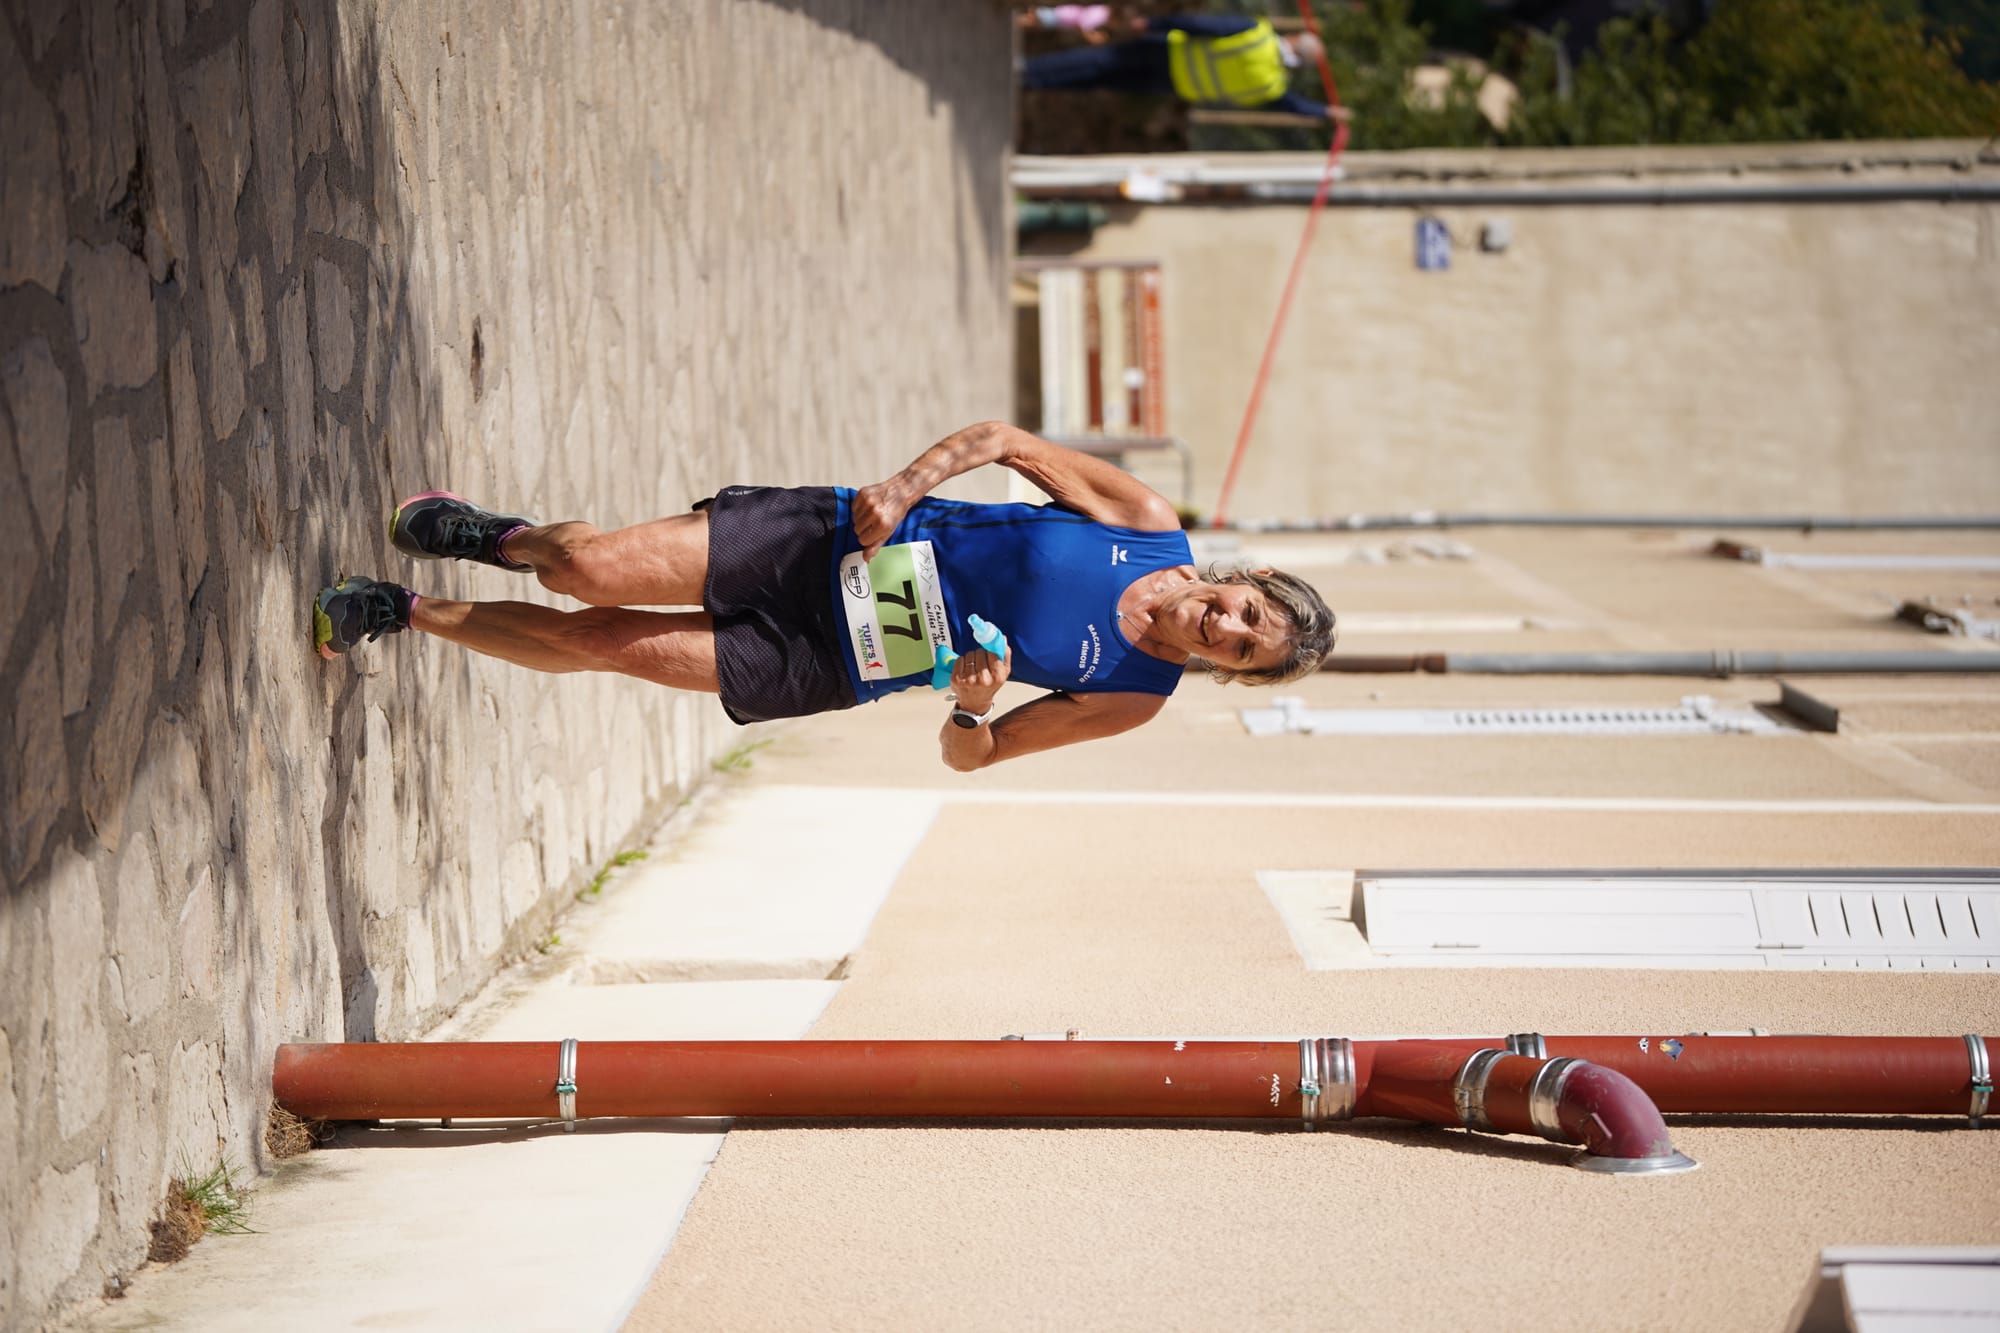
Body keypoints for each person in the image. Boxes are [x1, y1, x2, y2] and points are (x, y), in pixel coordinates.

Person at [312, 422, 1336, 770]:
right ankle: (496, 537)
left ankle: (400, 611)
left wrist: (973, 707)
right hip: (829, 542)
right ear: (1239, 582)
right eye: (1247, 610)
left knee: (605, 645)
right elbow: (1004, 443)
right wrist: (901, 486)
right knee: (585, 572)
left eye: (1243, 648)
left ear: (1225, 670)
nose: (1229, 627)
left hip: (845, 661)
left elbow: (974, 757)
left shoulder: (1130, 695)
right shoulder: (1143, 521)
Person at [1021, 13, 1346, 123]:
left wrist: (1154, 23)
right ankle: (1034, 82)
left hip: (1166, 53)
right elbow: (1291, 106)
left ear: (1292, 37)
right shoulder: (1271, 86)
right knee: (1101, 78)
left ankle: (1030, 70)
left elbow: (1199, 24)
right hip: (1172, 87)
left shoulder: (1255, 33)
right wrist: (1324, 112)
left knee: (1100, 59)